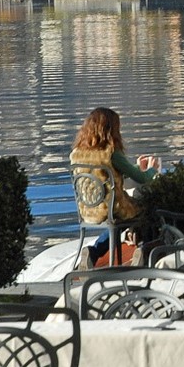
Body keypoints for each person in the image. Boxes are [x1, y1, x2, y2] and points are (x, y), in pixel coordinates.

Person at [70, 107, 158, 258]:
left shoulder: (76, 154)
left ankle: (93, 254)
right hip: (115, 207)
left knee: (116, 223)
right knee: (149, 208)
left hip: (88, 209)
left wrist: (136, 166)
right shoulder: (111, 153)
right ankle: (143, 251)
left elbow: (106, 175)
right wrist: (152, 169)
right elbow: (141, 178)